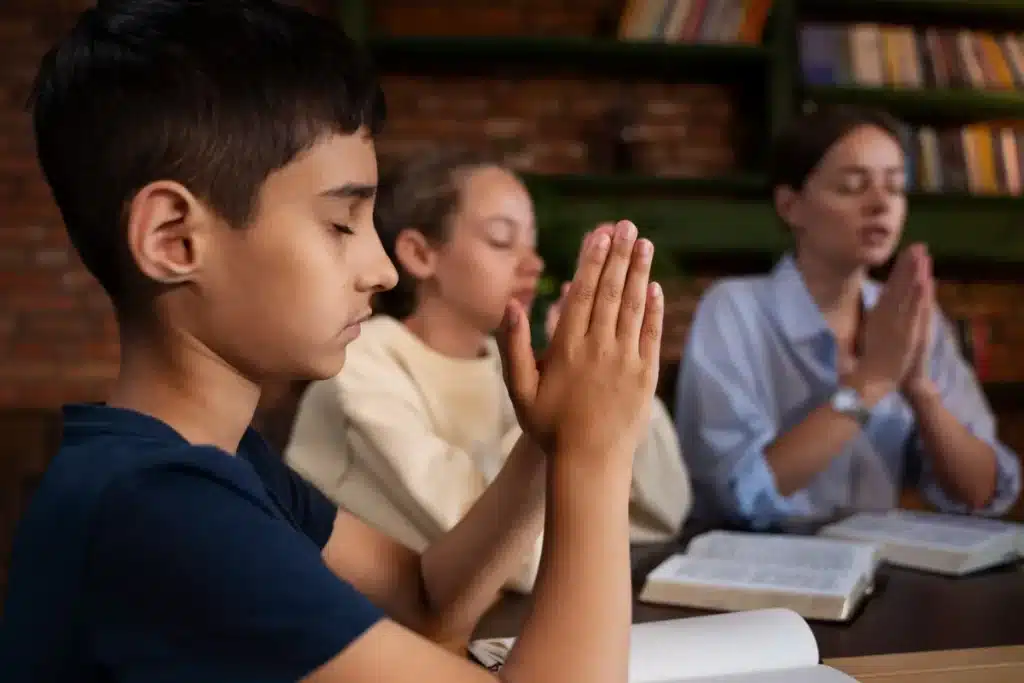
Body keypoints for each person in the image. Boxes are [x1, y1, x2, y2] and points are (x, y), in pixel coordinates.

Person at [0, 2, 665, 682]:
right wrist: (597, 451)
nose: (381, 269)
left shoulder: (218, 464)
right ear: (174, 239)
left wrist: (546, 444)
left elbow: (427, 605)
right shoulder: (158, 511)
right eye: (341, 223)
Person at [285, 149, 691, 589]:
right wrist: (560, 396)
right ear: (421, 255)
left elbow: (659, 512)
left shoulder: (502, 365)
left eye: (532, 244)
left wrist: (611, 371)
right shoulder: (362, 364)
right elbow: (509, 562)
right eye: (501, 240)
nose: (532, 264)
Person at [676, 105, 1021, 530]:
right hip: (745, 574)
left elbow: (984, 492)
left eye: (895, 188)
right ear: (790, 205)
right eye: (852, 186)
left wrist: (919, 390)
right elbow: (735, 494)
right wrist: (869, 384)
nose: (880, 204)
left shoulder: (907, 316)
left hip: (873, 572)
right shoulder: (734, 310)